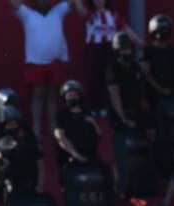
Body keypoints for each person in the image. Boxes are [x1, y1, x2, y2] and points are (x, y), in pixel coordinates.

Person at [7, 0, 86, 138]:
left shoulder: (58, 12)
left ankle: (52, 127)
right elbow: (14, 3)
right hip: (36, 63)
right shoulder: (27, 14)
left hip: (55, 63)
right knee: (38, 94)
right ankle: (36, 127)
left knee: (52, 95)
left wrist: (80, 7)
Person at [81, 0, 136, 116]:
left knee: (109, 79)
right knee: (93, 78)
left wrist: (141, 43)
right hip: (94, 50)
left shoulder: (114, 15)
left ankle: (105, 107)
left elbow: (127, 30)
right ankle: (92, 108)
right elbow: (80, 9)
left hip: (110, 51)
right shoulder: (91, 15)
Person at [54, 80, 106, 175]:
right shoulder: (61, 116)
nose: (73, 97)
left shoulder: (86, 113)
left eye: (75, 94)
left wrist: (93, 123)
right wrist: (76, 155)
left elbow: (99, 134)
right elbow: (60, 138)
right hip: (70, 158)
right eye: (69, 95)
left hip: (90, 155)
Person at [141, 14, 174, 109]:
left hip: (172, 93)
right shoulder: (147, 51)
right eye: (160, 30)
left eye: (166, 30)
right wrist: (160, 89)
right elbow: (146, 74)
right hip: (153, 95)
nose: (163, 33)